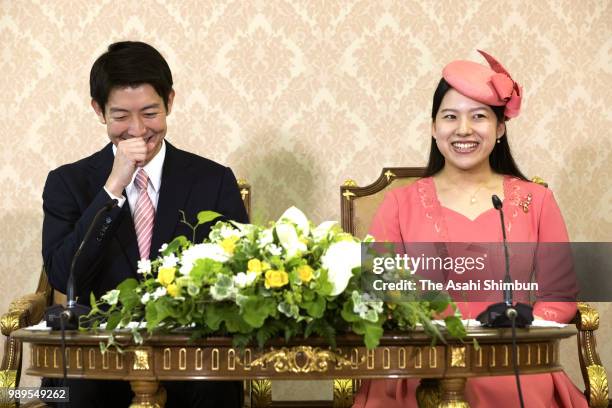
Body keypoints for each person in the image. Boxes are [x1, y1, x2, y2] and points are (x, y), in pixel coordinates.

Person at [352, 51, 587, 407]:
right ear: (434, 128)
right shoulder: (398, 204)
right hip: (422, 363)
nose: (463, 129)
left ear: (500, 128)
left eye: (478, 117)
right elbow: (375, 291)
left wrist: (520, 328)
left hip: (512, 360)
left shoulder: (536, 200)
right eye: (450, 117)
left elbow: (559, 295)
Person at [42, 41, 247, 408]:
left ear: (170, 101)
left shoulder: (213, 180)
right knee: (72, 393)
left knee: (216, 388)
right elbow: (62, 274)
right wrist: (112, 188)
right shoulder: (68, 183)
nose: (137, 129)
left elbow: (239, 274)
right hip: (100, 356)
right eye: (121, 116)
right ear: (98, 110)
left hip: (188, 355)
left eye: (150, 113)